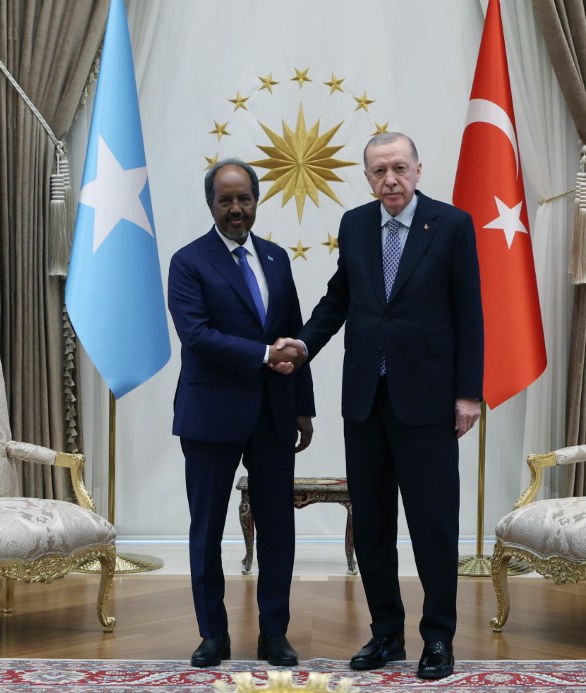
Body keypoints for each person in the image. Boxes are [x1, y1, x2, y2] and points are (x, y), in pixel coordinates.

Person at [273, 133, 482, 680]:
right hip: (366, 400)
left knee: (433, 524)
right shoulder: (355, 225)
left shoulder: (452, 225)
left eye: (399, 168)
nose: (390, 179)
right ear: (367, 178)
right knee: (370, 525)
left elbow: (470, 311)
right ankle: (386, 633)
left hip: (428, 400)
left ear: (417, 169)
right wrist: (303, 345)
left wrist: (468, 393)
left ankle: (438, 638)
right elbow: (339, 298)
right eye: (379, 171)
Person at [167, 159, 315, 668]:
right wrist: (263, 355)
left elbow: (294, 333)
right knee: (207, 529)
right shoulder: (189, 261)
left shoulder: (275, 257)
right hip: (210, 416)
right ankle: (213, 634)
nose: (236, 208)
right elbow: (197, 336)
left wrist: (302, 407)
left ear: (256, 200)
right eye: (225, 199)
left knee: (277, 528)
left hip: (274, 414)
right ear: (211, 203)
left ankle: (274, 633)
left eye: (244, 198)